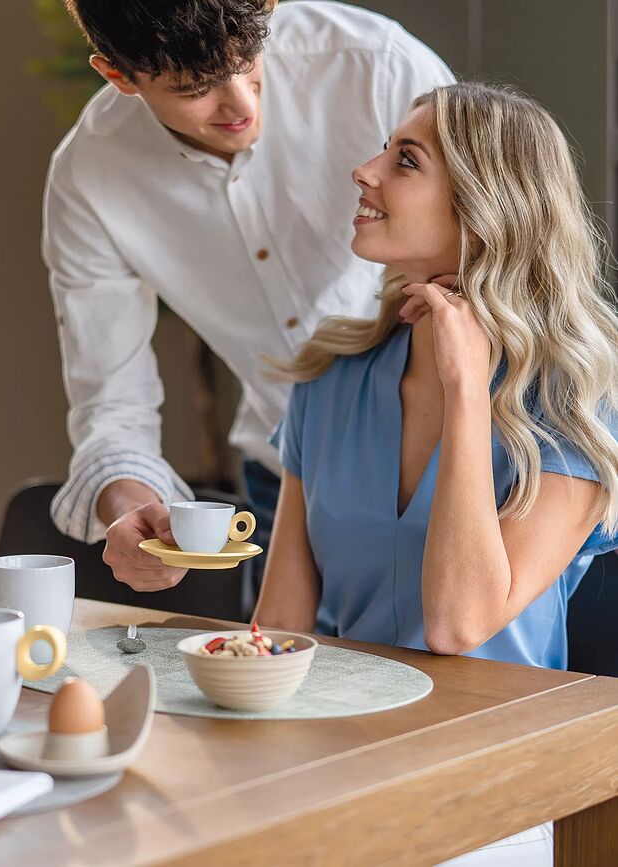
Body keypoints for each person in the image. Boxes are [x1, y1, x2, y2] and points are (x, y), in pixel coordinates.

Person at [255, 82, 618, 865]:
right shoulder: (328, 378)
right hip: (331, 765)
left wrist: (464, 392)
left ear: (483, 209)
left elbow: (458, 622)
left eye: (404, 160)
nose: (363, 170)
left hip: (497, 792)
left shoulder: (576, 406)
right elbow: (282, 624)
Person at [43, 0, 453, 603]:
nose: (242, 105)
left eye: (249, 64)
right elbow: (112, 407)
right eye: (194, 90)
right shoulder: (91, 178)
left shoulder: (380, 67)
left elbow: (497, 243)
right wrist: (131, 505)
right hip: (283, 477)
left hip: (447, 459)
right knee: (280, 686)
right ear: (119, 76)